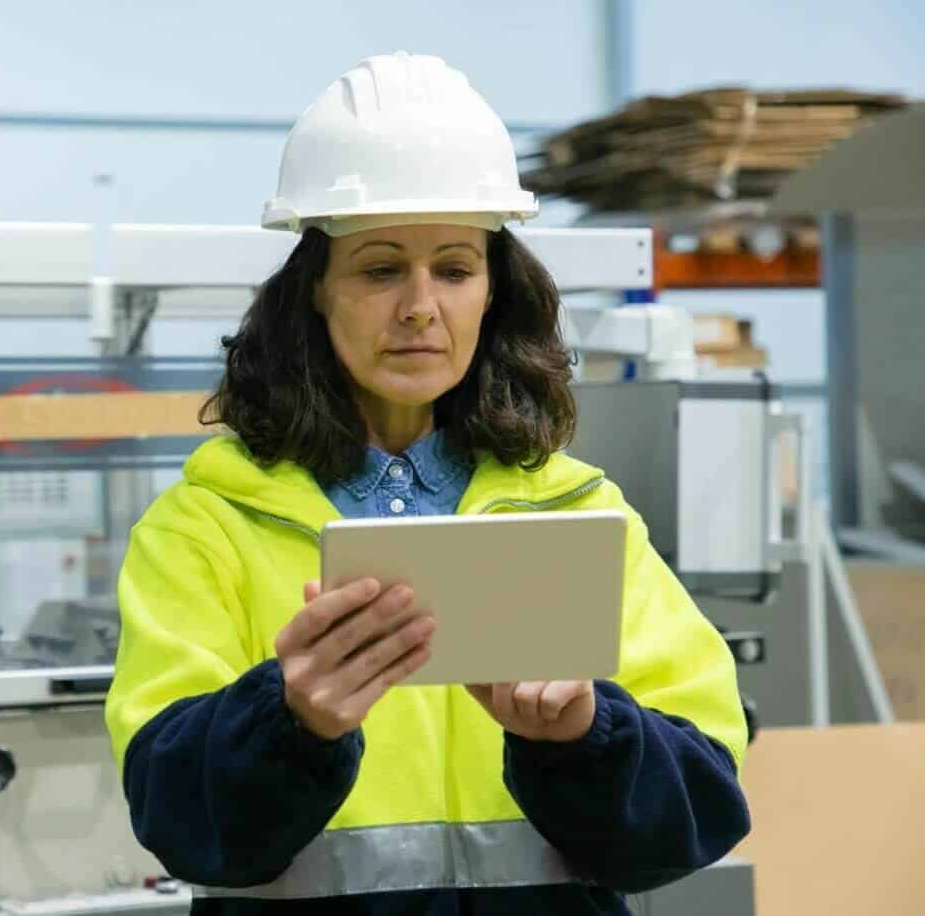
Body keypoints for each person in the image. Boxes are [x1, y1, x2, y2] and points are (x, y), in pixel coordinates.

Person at [104, 52, 750, 915]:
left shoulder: (582, 514)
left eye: (453, 268)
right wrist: (289, 722)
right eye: (379, 270)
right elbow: (177, 819)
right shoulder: (205, 528)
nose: (420, 306)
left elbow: (697, 812)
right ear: (316, 296)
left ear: (493, 293)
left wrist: (583, 737)